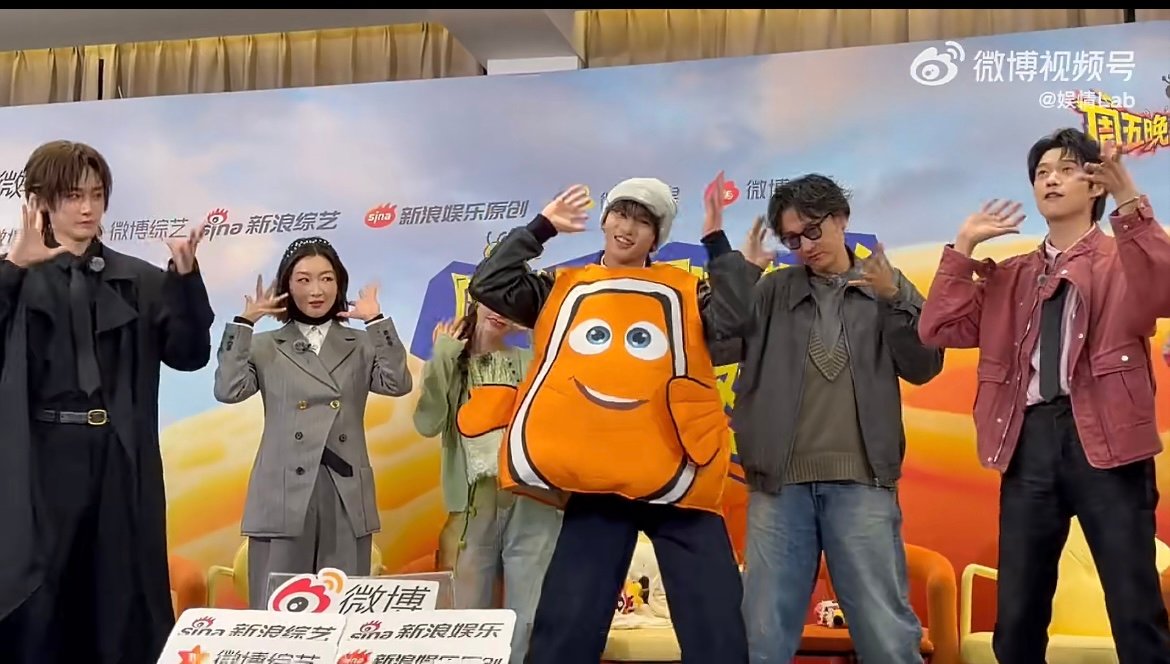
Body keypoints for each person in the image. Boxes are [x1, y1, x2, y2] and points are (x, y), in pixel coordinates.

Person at [457, 175, 758, 664]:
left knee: (718, 626)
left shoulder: (686, 290)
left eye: (643, 221)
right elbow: (489, 284)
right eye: (621, 213)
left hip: (678, 469)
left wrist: (716, 241)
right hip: (597, 478)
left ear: (656, 238)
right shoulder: (562, 287)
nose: (628, 228)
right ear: (604, 219)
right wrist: (541, 228)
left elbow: (739, 321)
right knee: (566, 627)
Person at [918, 127, 1170, 663]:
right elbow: (938, 329)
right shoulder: (1011, 275)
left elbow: (1164, 288)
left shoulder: (1125, 259)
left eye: (1066, 169)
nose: (1050, 180)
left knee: (1134, 609)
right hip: (1028, 441)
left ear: (1095, 185)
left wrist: (1130, 200)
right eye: (1041, 173)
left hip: (1108, 440)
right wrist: (963, 249)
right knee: (1017, 615)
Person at [0, 140, 215, 663]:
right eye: (74, 196)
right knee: (40, 602)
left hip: (119, 458)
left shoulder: (140, 279)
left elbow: (188, 356)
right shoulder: (15, 276)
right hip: (42, 460)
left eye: (97, 195)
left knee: (119, 595)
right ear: (40, 201)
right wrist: (12, 270)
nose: (88, 208)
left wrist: (185, 282)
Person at [729, 173, 943, 662]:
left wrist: (895, 299)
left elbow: (924, 366)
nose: (805, 246)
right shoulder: (772, 290)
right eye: (792, 239)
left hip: (862, 481)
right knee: (761, 635)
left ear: (841, 218)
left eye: (813, 230)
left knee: (886, 634)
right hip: (778, 486)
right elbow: (718, 341)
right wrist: (742, 275)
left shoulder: (883, 282)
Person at [213, 236, 412, 609]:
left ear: (340, 284)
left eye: (326, 278)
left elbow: (397, 383)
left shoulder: (362, 342)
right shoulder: (264, 345)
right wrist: (244, 323)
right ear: (287, 286)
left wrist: (377, 321)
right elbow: (228, 390)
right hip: (282, 491)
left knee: (342, 608)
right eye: (303, 280)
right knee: (277, 609)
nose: (316, 290)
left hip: (344, 488)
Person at [413, 299, 562, 664]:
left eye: (513, 303)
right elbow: (428, 422)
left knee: (529, 612)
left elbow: (555, 414)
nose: (500, 311)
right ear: (475, 301)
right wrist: (443, 356)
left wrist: (541, 335)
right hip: (473, 506)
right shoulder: (452, 361)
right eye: (493, 300)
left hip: (532, 500)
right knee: (467, 614)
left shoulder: (532, 361)